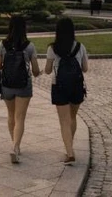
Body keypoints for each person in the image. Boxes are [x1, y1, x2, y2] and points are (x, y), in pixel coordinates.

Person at [0, 15, 41, 164]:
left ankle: (14, 144)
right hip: (23, 85)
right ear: (24, 28)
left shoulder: (3, 44)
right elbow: (35, 70)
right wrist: (38, 73)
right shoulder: (29, 46)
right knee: (20, 117)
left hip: (7, 85)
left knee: (11, 115)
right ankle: (16, 146)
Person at [44, 17, 88, 163]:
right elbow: (85, 68)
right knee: (72, 117)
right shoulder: (80, 47)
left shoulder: (52, 48)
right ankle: (70, 147)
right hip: (76, 85)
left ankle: (69, 152)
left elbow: (48, 70)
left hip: (59, 86)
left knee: (64, 121)